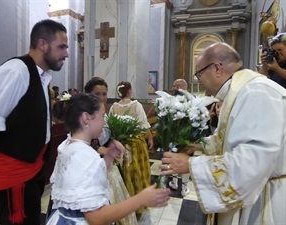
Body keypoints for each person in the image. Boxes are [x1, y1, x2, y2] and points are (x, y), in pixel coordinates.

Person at [161, 42, 286, 225]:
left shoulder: (257, 93)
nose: (198, 80)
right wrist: (200, 145)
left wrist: (191, 165)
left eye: (199, 73)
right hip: (255, 196)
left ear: (217, 68)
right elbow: (230, 139)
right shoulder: (241, 91)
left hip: (264, 203)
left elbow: (252, 161)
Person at [0, 19, 68, 225]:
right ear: (42, 44)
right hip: (12, 175)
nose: (66, 53)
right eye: (62, 47)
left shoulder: (40, 76)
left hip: (32, 170)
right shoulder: (16, 71)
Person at [46, 93, 170, 225]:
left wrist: (109, 157)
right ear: (86, 118)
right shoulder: (86, 156)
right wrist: (140, 199)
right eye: (101, 116)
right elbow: (96, 218)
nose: (104, 121)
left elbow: (85, 178)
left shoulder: (67, 145)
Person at [84, 77, 138, 225]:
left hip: (108, 166)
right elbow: (81, 142)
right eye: (97, 94)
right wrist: (103, 150)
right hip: (91, 170)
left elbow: (105, 135)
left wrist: (114, 141)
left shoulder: (104, 113)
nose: (102, 98)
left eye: (104, 94)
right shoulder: (83, 116)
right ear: (88, 94)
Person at [109, 81, 153, 219]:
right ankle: (139, 204)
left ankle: (125, 204)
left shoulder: (113, 107)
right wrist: (150, 138)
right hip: (135, 145)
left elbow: (110, 125)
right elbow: (144, 125)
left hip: (120, 145)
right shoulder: (136, 105)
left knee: (124, 174)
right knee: (138, 174)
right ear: (129, 91)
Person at [168, 78, 191, 197]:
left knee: (182, 160)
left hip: (182, 136)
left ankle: (180, 185)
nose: (173, 89)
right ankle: (181, 186)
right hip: (184, 136)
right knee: (177, 159)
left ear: (180, 86)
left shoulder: (173, 101)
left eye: (174, 86)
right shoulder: (191, 99)